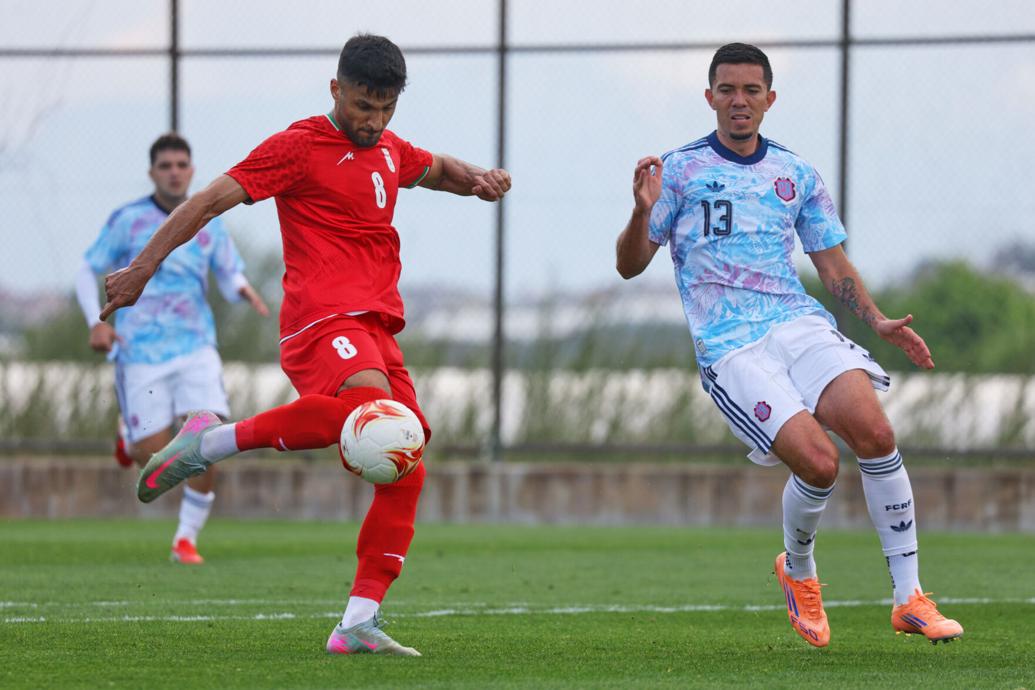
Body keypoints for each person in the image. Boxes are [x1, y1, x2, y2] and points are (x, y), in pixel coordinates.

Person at [99, 34, 511, 656]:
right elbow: (209, 200)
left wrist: (477, 178)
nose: (373, 122)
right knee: (366, 415)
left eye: (386, 109)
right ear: (335, 90)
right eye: (362, 106)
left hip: (376, 326)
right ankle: (209, 441)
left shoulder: (388, 147)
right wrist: (141, 269)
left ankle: (358, 622)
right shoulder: (299, 146)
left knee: (408, 460)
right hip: (321, 320)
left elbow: (436, 170)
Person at [615, 43, 962, 648]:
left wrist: (876, 320)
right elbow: (629, 267)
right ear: (710, 98)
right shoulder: (678, 170)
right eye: (727, 90)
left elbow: (831, 265)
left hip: (797, 323)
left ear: (770, 100)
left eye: (751, 90)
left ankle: (910, 597)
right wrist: (640, 214)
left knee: (877, 435)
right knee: (820, 464)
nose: (739, 101)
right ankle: (798, 571)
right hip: (730, 346)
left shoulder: (796, 174)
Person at [76, 133, 269, 564]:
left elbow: (228, 271)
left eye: (182, 164)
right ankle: (131, 438)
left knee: (208, 437)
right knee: (155, 452)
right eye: (166, 165)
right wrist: (96, 321)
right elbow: (87, 268)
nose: (175, 171)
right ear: (152, 173)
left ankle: (186, 539)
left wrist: (244, 291)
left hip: (195, 345)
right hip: (140, 352)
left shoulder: (209, 223)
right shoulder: (127, 220)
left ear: (192, 170)